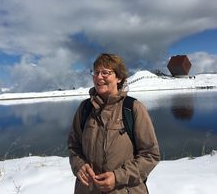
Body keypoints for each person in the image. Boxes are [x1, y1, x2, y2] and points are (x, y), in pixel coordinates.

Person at [68, 53, 160, 193]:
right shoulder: (85, 109)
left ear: (119, 78)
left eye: (105, 73)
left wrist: (118, 177)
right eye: (96, 72)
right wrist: (78, 165)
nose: (99, 77)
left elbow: (150, 154)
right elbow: (74, 146)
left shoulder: (133, 108)